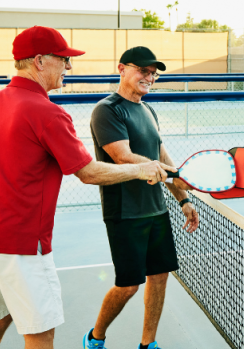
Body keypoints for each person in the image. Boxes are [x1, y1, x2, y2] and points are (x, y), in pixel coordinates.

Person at [0, 26, 171, 349]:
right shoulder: (48, 113)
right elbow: (88, 172)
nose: (69, 67)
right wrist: (141, 169)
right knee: (41, 333)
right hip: (20, 245)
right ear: (39, 61)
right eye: (64, 60)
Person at [83, 46, 199, 349]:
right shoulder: (107, 110)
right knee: (129, 285)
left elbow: (163, 160)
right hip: (125, 212)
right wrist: (153, 168)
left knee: (159, 278)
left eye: (153, 73)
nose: (148, 77)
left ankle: (148, 344)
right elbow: (121, 157)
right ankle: (95, 337)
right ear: (122, 69)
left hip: (156, 211)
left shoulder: (148, 110)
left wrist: (183, 200)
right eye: (142, 70)